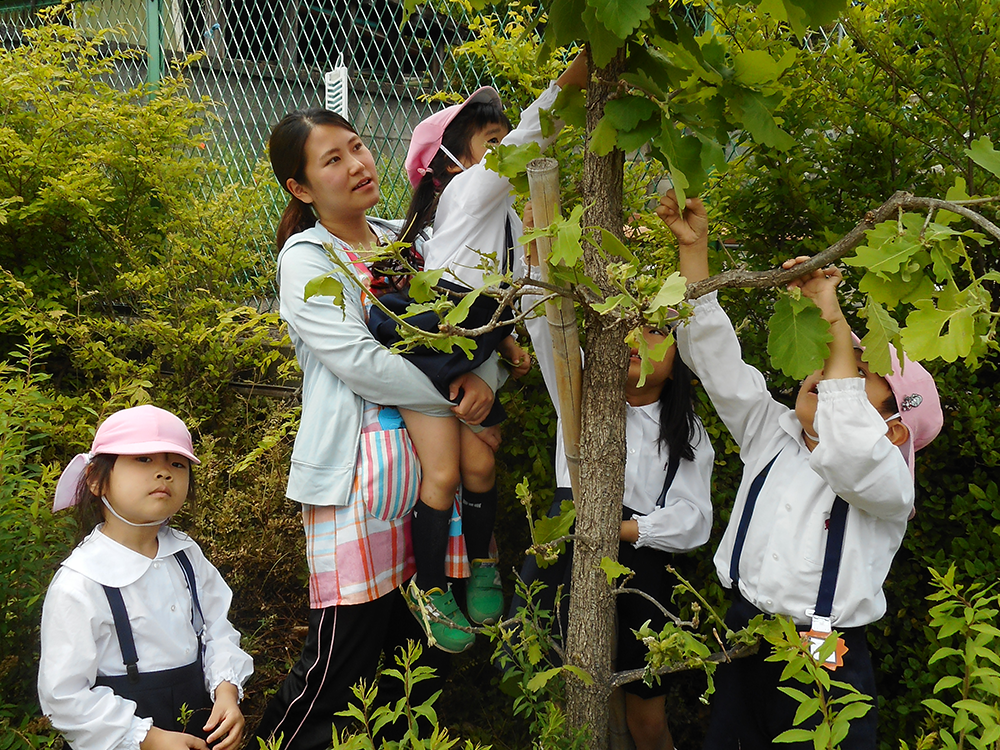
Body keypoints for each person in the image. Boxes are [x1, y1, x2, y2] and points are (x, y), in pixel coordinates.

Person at [657, 190, 944, 748]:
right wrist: (694, 255)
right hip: (745, 627)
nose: (831, 373)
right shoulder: (775, 433)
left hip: (824, 649)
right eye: (837, 358)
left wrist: (833, 315)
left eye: (856, 371)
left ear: (894, 431)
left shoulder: (888, 485)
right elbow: (716, 361)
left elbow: (854, 452)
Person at [253, 108, 502, 750]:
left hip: (424, 484)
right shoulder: (307, 258)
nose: (358, 165)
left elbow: (475, 317)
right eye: (332, 159)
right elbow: (360, 364)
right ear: (301, 189)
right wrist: (451, 401)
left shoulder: (407, 237)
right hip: (357, 485)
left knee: (404, 665)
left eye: (357, 147)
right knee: (340, 661)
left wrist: (485, 380)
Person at [376, 53, 589, 650]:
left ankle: (481, 563)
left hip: (475, 345)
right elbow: (529, 137)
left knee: (480, 466)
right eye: (489, 141)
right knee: (444, 474)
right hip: (440, 348)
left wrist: (512, 340)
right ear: (456, 159)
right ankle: (432, 584)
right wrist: (567, 85)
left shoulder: (508, 218)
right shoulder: (471, 189)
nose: (502, 151)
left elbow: (507, 295)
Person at [508, 210, 715, 750]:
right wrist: (537, 249)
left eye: (655, 331)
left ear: (678, 357)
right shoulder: (579, 394)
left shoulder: (685, 430)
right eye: (629, 326)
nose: (637, 340)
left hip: (643, 572)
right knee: (559, 697)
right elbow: (541, 320)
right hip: (566, 551)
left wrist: (623, 531)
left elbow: (695, 521)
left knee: (646, 719)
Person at [38, 404, 252, 750]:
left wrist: (226, 692)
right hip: (119, 737)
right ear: (95, 478)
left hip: (197, 725)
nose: (164, 473)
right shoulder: (81, 581)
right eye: (144, 460)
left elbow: (218, 630)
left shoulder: (186, 555)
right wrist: (147, 739)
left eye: (176, 464)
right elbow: (64, 696)